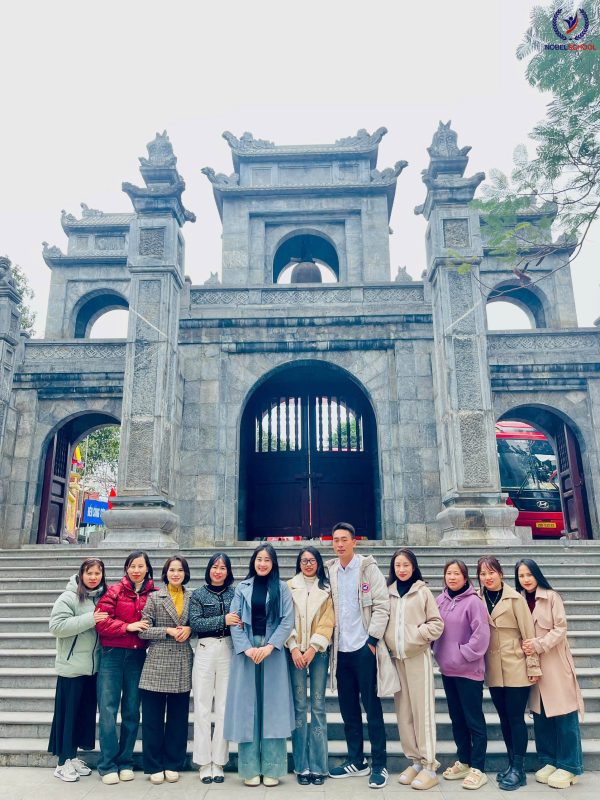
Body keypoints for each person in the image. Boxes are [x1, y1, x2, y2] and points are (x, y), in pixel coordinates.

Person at [327, 522, 396, 790]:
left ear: (354, 542)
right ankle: (356, 760)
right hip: (341, 651)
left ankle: (379, 764)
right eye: (335, 540)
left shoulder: (368, 569)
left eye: (344, 539)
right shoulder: (331, 570)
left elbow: (382, 605)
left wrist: (372, 640)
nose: (339, 544)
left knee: (372, 708)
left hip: (363, 649)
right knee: (348, 710)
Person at [224, 544, 295, 787]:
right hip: (247, 651)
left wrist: (270, 646)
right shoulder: (242, 588)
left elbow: (287, 621)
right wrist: (247, 648)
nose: (262, 563)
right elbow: (234, 621)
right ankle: (250, 769)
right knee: (248, 708)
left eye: (267, 560)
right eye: (259, 559)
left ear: (273, 563)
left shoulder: (282, 588)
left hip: (272, 651)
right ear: (253, 562)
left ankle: (273, 769)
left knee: (273, 708)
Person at [515, 559, 584, 789]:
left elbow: (560, 629)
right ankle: (549, 760)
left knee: (564, 715)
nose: (526, 579)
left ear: (537, 575)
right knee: (541, 715)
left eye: (529, 574)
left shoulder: (552, 597)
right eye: (521, 576)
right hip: (532, 668)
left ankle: (570, 766)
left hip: (555, 665)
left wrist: (538, 644)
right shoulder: (518, 600)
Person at [477, 556, 541, 791]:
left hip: (516, 666)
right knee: (504, 718)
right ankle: (511, 763)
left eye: (491, 572)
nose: (488, 577)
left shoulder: (516, 599)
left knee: (515, 718)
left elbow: (528, 634)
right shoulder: (477, 599)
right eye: (483, 573)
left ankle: (519, 769)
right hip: (493, 668)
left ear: (501, 574)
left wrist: (533, 666)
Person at [384, 548, 444, 790]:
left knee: (422, 711)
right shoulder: (387, 592)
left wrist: (418, 635)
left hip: (418, 657)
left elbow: (437, 624)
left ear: (414, 567)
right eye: (398, 565)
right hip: (396, 660)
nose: (401, 569)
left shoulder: (422, 592)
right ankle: (415, 761)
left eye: (406, 565)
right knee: (404, 713)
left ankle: (430, 765)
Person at [95, 550, 156, 785]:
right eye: (132, 566)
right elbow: (101, 621)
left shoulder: (154, 594)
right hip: (112, 655)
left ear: (147, 568)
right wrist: (127, 627)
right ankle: (107, 764)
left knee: (131, 709)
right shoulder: (114, 591)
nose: (136, 570)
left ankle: (126, 761)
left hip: (137, 656)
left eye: (140, 566)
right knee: (108, 709)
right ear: (126, 569)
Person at [48, 558, 108, 782]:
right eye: (89, 573)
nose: (93, 577)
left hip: (92, 669)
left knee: (82, 716)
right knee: (68, 717)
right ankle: (62, 763)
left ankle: (72, 757)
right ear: (81, 575)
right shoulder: (68, 597)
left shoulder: (102, 597)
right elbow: (56, 627)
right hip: (71, 669)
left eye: (97, 573)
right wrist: (90, 619)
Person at [433, 560, 490, 790]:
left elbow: (481, 635)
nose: (452, 577)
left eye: (457, 573)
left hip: (469, 671)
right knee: (457, 719)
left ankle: (478, 768)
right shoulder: (440, 600)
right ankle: (464, 761)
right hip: (448, 670)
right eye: (449, 573)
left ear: (465, 577)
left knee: (473, 720)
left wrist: (462, 654)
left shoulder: (474, 602)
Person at [138, 556, 194, 785]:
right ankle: (153, 765)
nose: (176, 574)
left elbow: (197, 624)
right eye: (172, 570)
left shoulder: (192, 597)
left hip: (182, 661)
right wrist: (168, 631)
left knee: (178, 719)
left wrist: (189, 629)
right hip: (157, 662)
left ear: (185, 573)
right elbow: (143, 630)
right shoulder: (154, 597)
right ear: (165, 573)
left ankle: (173, 763)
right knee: (152, 718)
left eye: (180, 570)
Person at [189, 552, 240, 784]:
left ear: (228, 571)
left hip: (228, 649)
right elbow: (195, 623)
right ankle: (203, 761)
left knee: (223, 706)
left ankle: (219, 761)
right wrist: (223, 620)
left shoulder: (235, 593)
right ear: (209, 569)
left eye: (223, 568)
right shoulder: (198, 594)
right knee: (201, 705)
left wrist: (234, 622)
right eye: (215, 567)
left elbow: (240, 619)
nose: (218, 571)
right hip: (205, 649)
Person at [286, 546, 335, 785]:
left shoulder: (327, 589)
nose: (308, 564)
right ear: (299, 563)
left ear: (318, 563)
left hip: (318, 652)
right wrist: (294, 646)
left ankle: (318, 766)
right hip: (294, 652)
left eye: (312, 560)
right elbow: (284, 618)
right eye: (304, 560)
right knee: (298, 706)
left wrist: (314, 647)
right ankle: (301, 766)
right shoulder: (288, 586)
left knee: (317, 705)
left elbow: (328, 621)